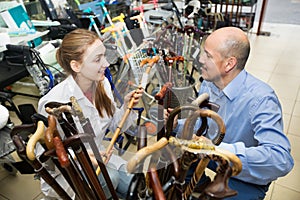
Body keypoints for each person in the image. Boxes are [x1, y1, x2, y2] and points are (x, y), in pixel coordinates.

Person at [168, 27, 294, 199]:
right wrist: (178, 125)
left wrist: (218, 151)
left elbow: (280, 160)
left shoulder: (261, 99)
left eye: (208, 56)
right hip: (208, 157)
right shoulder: (210, 83)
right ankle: (200, 182)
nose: (200, 59)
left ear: (229, 64)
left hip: (241, 175)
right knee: (170, 161)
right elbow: (201, 125)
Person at [37, 28, 143, 199]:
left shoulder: (102, 85)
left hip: (101, 157)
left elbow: (115, 125)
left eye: (104, 56)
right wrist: (79, 156)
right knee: (113, 179)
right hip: (70, 170)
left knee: (134, 181)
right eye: (97, 59)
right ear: (76, 66)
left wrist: (126, 107)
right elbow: (43, 156)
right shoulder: (53, 102)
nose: (106, 64)